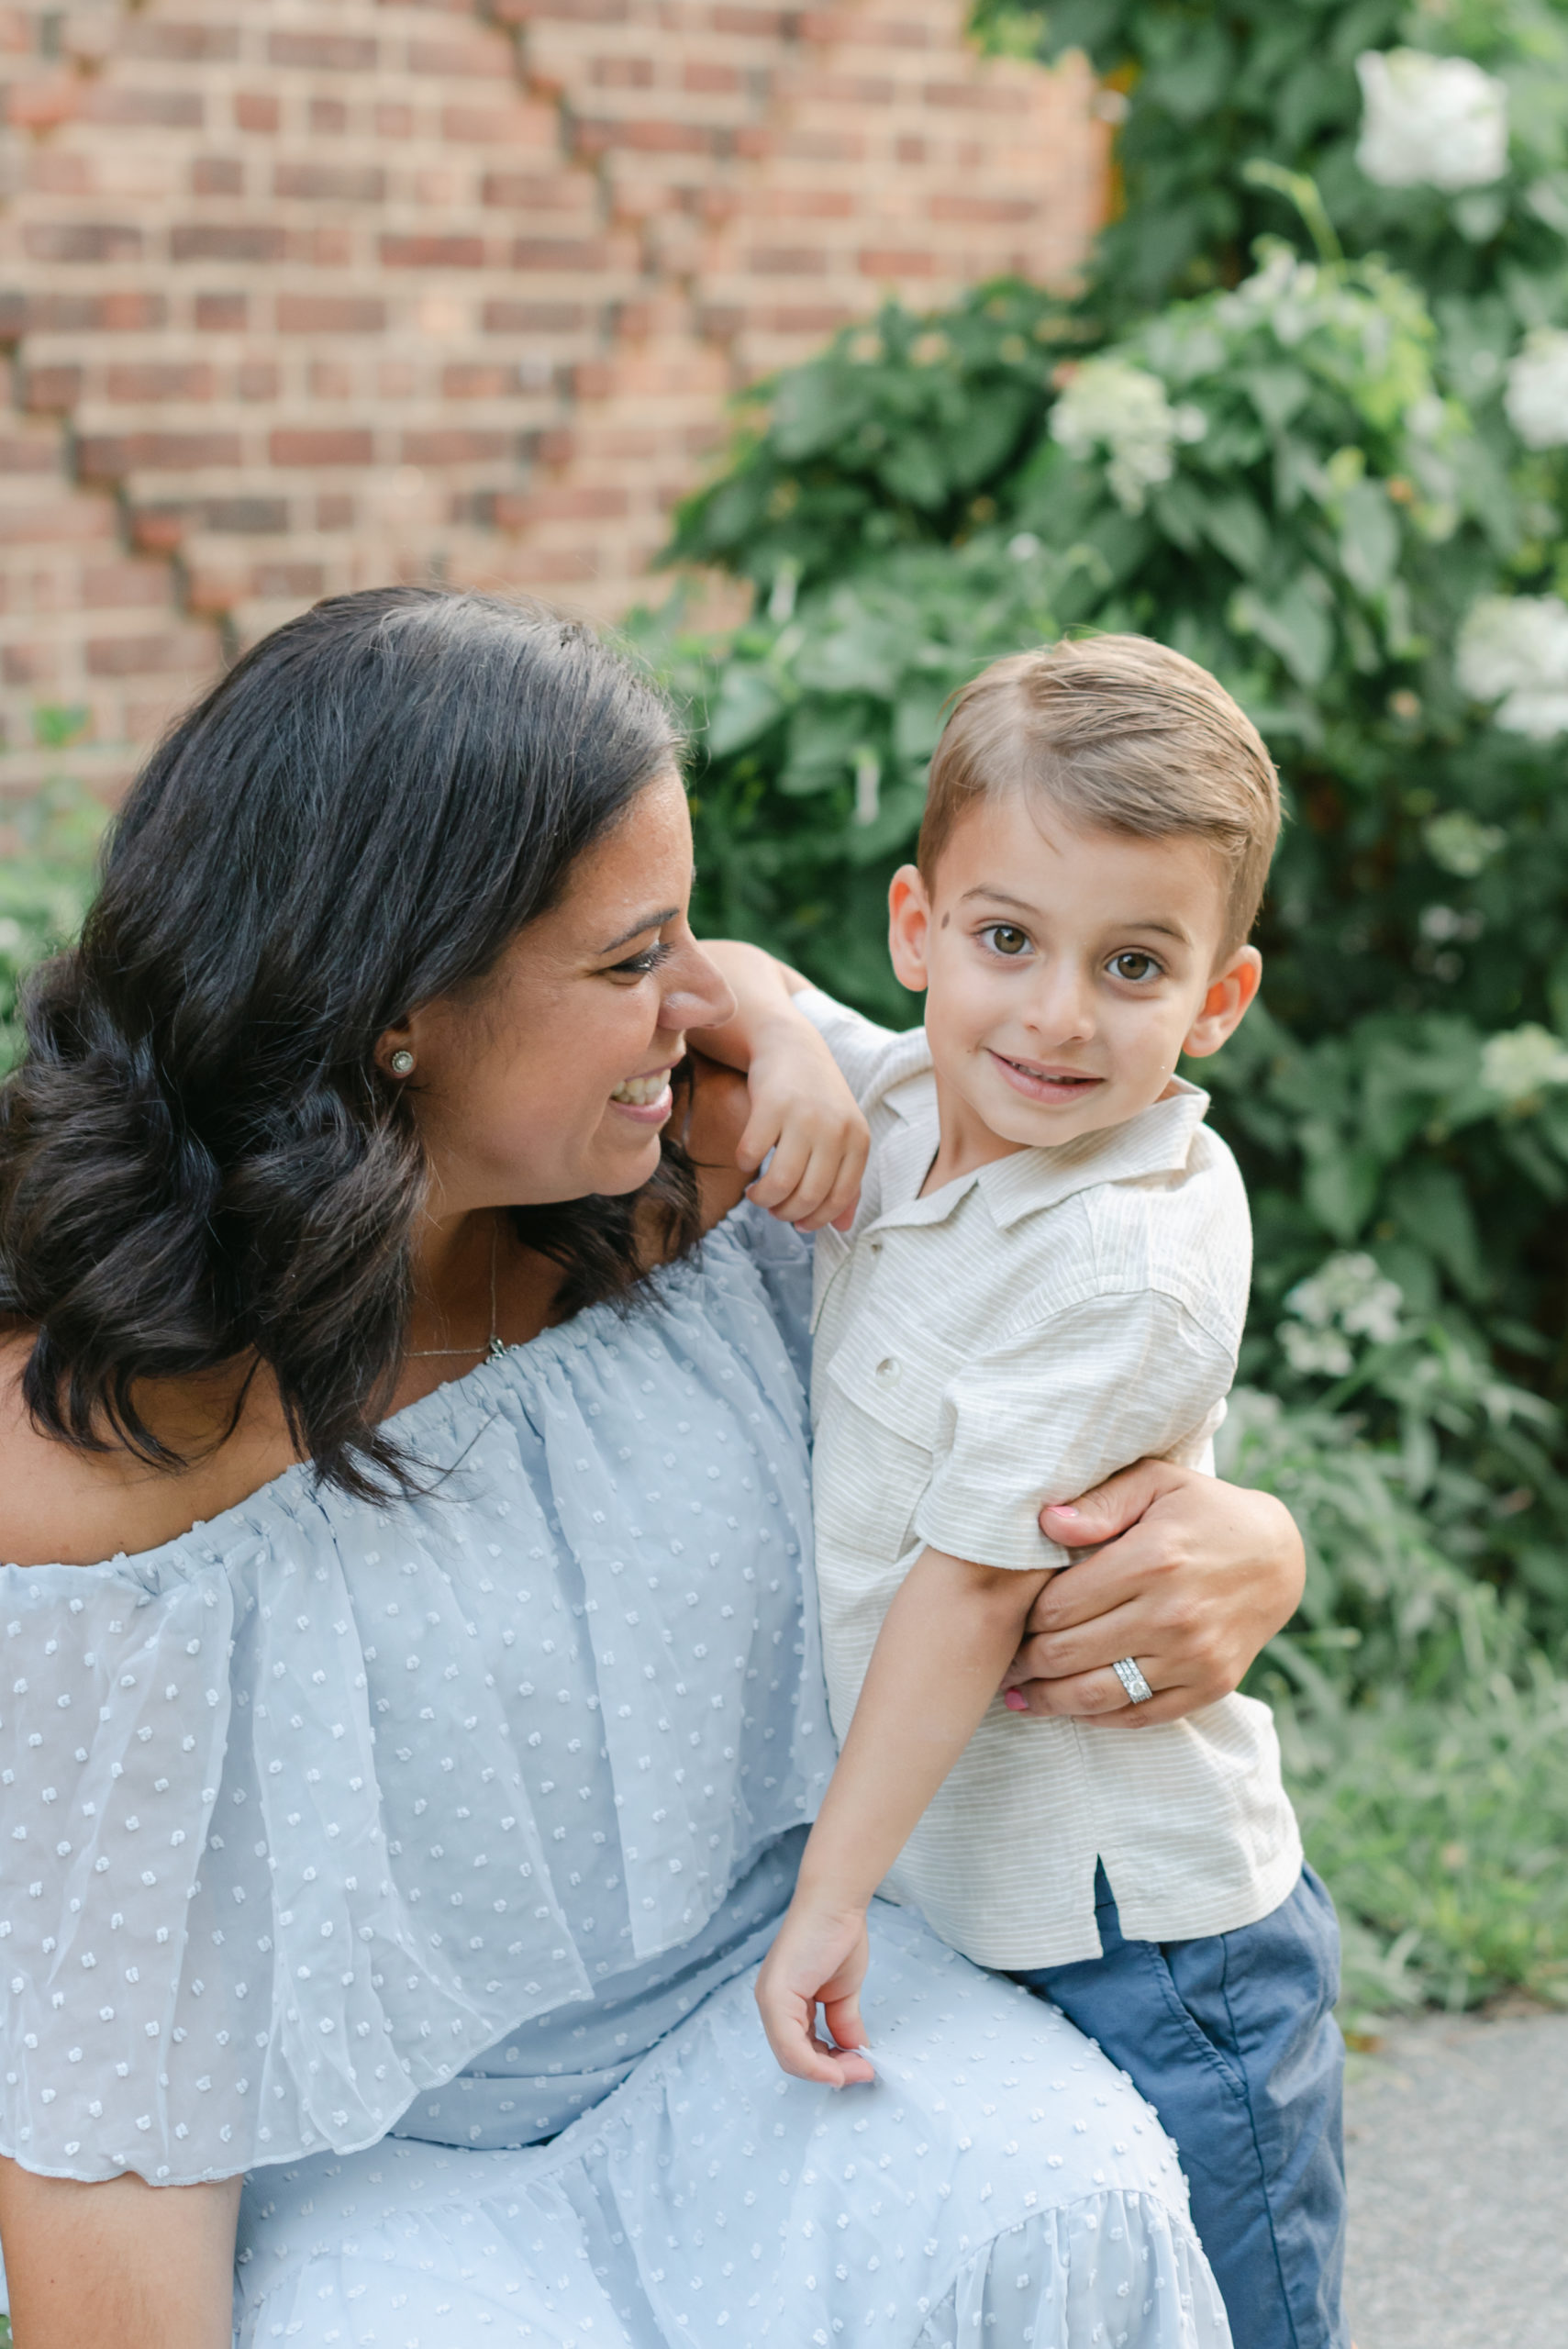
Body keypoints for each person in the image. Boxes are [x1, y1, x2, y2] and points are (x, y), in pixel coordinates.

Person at [0, 589, 1306, 2349]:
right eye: (632, 959)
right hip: (385, 2156)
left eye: (684, 938)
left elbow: (1039, 1330)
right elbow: (103, 2090)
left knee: (1058, 2201)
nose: (696, 996)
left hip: (762, 2024)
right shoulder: (100, 1471)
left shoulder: (716, 1167)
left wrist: (1248, 1544)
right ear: (400, 1009)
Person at [711, 639, 1347, 2349]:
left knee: (1225, 2317)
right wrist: (775, 1035)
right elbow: (710, 965)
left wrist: (825, 1899)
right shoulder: (918, 1099)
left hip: (1152, 1949)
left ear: (1216, 999)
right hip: (972, 1898)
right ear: (919, 927)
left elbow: (973, 1588)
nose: (1057, 1015)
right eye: (1008, 941)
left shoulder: (1124, 1257)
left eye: (1132, 963)